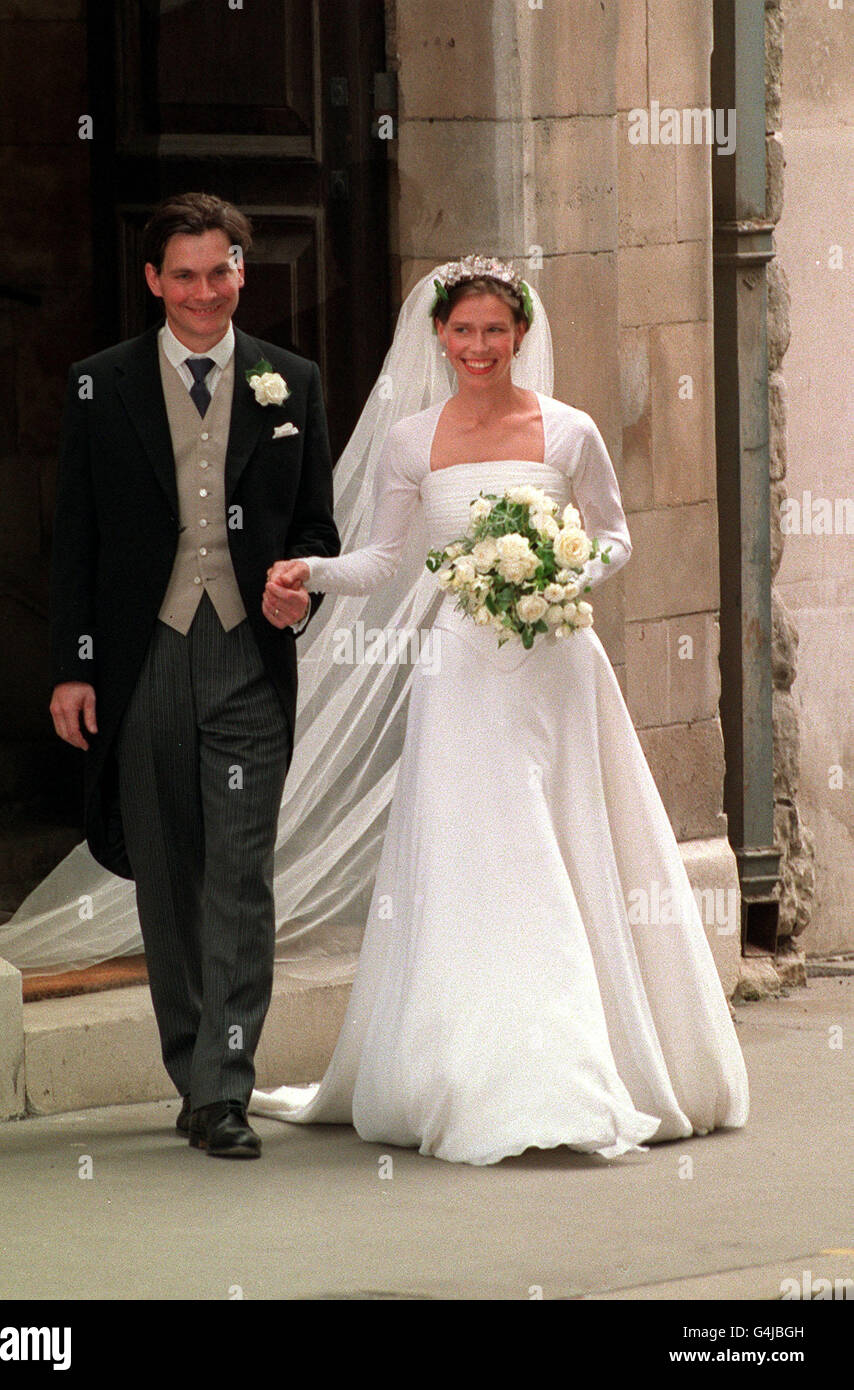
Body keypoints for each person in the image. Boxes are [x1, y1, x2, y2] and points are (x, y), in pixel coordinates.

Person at [251, 255, 750, 1165]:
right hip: (458, 676)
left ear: (521, 334)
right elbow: (380, 562)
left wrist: (559, 571)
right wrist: (310, 572)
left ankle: (582, 1070)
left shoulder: (569, 433)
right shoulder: (410, 440)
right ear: (439, 337)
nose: (478, 347)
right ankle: (475, 1070)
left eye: (494, 330)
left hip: (555, 665)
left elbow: (613, 535)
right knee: (475, 852)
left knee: (563, 841)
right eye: (462, 331)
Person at [48, 192, 340, 1159]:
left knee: (240, 876)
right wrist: (72, 669)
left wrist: (305, 585)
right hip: (143, 661)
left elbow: (315, 531)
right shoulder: (100, 385)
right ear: (153, 281)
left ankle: (224, 1086)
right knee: (168, 875)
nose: (204, 291)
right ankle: (190, 1068)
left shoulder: (291, 381)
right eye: (184, 274)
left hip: (247, 658)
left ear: (243, 273)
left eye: (221, 271)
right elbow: (73, 542)